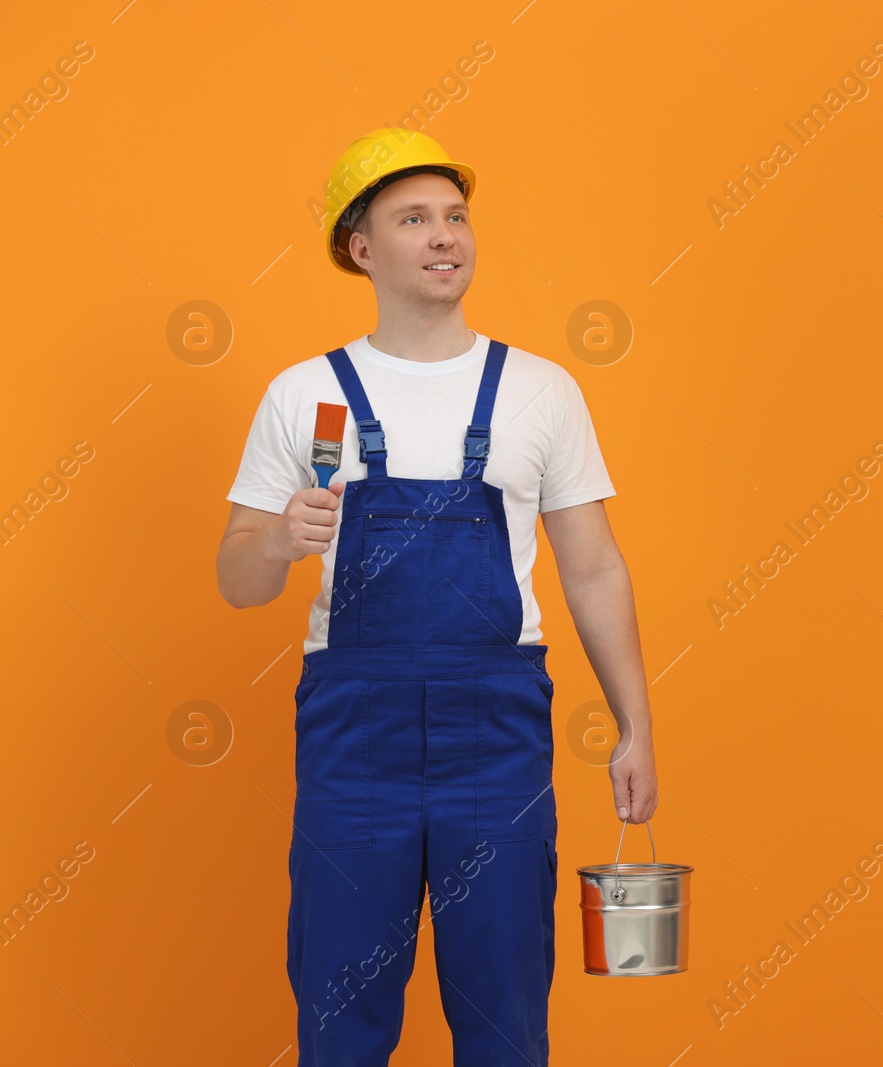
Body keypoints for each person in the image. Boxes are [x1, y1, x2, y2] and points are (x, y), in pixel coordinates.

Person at [215, 127, 658, 1065]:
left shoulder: (541, 391)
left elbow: (594, 568)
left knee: (504, 1011)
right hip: (354, 740)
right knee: (341, 1008)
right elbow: (237, 579)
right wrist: (279, 541)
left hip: (494, 739)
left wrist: (636, 723)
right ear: (362, 249)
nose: (444, 235)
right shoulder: (307, 395)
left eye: (455, 216)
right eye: (413, 218)